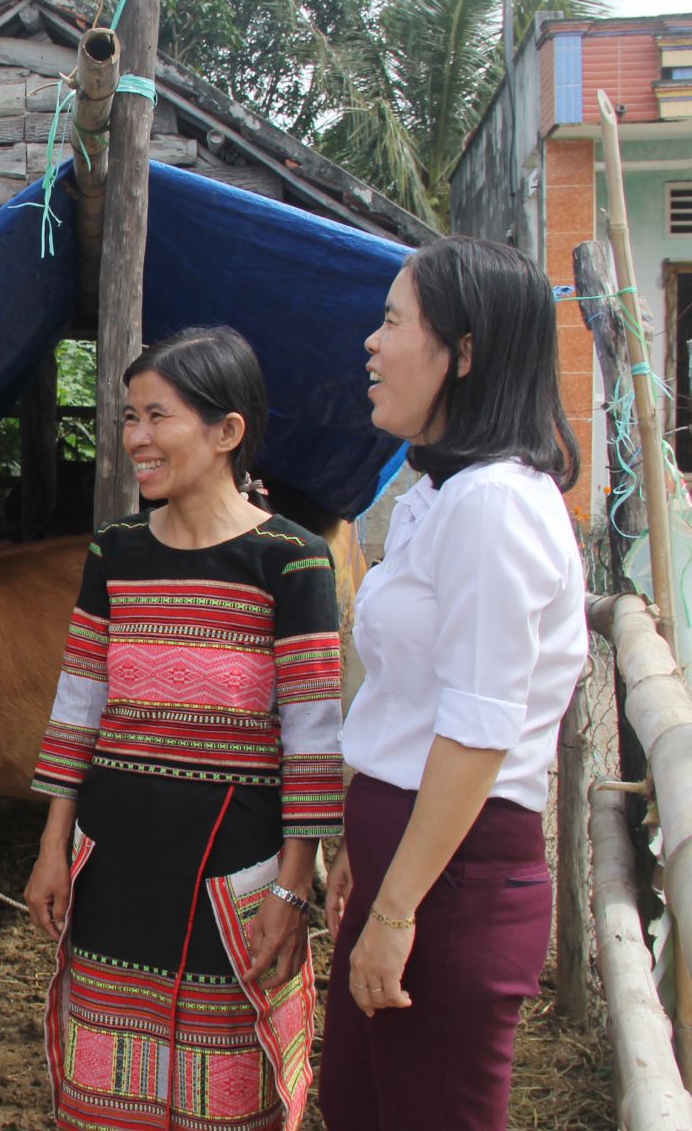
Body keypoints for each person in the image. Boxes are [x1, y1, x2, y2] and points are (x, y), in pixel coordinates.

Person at [24, 327, 345, 1130]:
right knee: (109, 1098)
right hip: (115, 868)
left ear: (226, 432)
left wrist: (292, 887)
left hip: (235, 876)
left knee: (224, 1097)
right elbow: (78, 706)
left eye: (156, 416)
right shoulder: (117, 552)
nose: (135, 438)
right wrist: (51, 847)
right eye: (129, 417)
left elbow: (312, 743)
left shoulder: (293, 562)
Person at [319, 236, 586, 1130]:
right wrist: (366, 854)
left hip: (452, 884)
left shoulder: (494, 505)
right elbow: (411, 702)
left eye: (393, 322)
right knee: (362, 1107)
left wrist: (397, 911)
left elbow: (478, 730)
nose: (371, 342)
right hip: (410, 862)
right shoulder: (440, 494)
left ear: (462, 354)